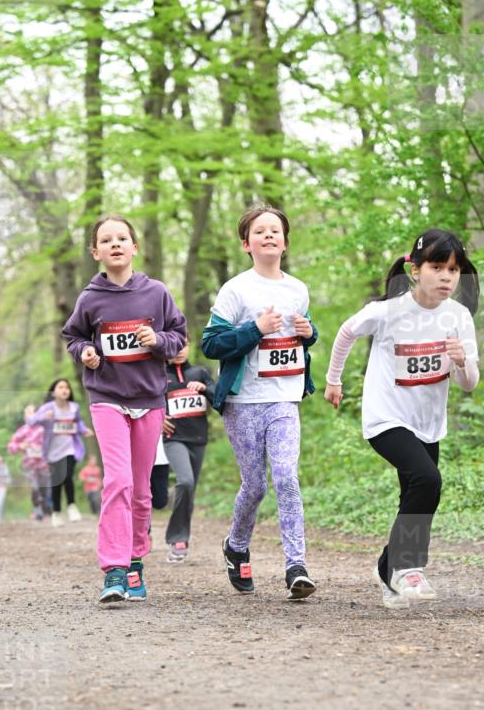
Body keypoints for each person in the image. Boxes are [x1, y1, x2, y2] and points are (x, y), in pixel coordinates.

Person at [324, 228, 480, 609]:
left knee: (417, 494)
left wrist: (461, 361)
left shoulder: (458, 317)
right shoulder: (388, 312)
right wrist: (333, 381)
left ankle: (386, 569)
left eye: (454, 270)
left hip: (428, 423)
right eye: (438, 267)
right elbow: (346, 333)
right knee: (428, 479)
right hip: (386, 418)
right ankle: (409, 568)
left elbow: (469, 385)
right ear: (415, 269)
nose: (446, 277)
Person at [62, 213, 187, 605]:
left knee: (141, 489)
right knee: (117, 480)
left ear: (134, 247)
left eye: (122, 238)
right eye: (106, 240)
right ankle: (113, 569)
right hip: (107, 398)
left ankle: (135, 562)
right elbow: (73, 336)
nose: (115, 244)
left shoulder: (156, 293)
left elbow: (180, 337)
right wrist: (85, 352)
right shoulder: (90, 298)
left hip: (149, 399)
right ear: (96, 252)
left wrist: (158, 340)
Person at [202, 202, 318, 600]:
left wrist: (309, 331)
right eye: (259, 231)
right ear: (245, 244)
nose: (268, 235)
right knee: (254, 486)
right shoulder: (236, 290)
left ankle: (296, 567)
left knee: (286, 476)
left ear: (285, 242)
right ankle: (236, 546)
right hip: (243, 402)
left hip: (284, 398)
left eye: (275, 230)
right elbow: (211, 344)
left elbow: (297, 340)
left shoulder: (298, 289)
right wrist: (254, 329)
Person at [162, 338, 216, 563]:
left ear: (189, 347)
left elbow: (219, 397)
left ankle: (181, 539)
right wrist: (157, 419)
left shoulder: (199, 372)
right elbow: (146, 402)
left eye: (183, 345)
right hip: (173, 438)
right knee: (185, 481)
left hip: (198, 438)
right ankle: (177, 538)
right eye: (174, 347)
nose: (178, 351)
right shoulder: (158, 376)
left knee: (190, 489)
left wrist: (205, 390)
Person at [28, 380, 92, 527]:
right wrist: (44, 417)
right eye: (61, 387)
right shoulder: (47, 408)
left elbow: (78, 423)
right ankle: (56, 512)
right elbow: (31, 421)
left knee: (67, 475)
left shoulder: (74, 407)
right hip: (52, 451)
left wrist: (84, 430)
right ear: (54, 392)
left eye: (67, 387)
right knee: (57, 481)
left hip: (70, 448)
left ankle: (71, 506)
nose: (65, 390)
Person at [7, 405, 51, 520]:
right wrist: (20, 446)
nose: (29, 415)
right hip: (29, 464)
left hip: (44, 464)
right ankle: (38, 512)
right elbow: (11, 446)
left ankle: (44, 509)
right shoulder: (23, 430)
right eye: (27, 413)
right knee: (34, 487)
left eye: (32, 413)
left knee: (44, 488)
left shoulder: (44, 429)